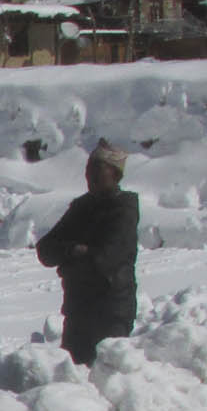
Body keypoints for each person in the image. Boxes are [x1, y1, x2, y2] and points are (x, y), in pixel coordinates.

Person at [36, 139, 141, 365]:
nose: (89, 175)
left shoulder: (124, 209)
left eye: (96, 169)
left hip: (111, 310)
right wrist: (74, 250)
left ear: (114, 173)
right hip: (78, 312)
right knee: (73, 383)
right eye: (88, 169)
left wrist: (69, 260)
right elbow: (45, 250)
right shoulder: (82, 207)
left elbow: (106, 259)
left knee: (106, 378)